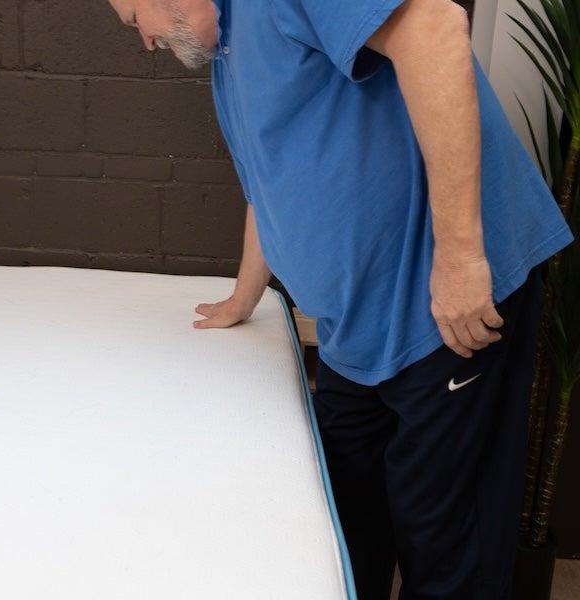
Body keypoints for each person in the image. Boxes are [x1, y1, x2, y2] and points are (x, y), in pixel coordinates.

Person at [107, 1, 575, 599]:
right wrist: (243, 297)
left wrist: (459, 260)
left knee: (447, 546)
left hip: (443, 311)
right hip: (354, 329)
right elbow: (272, 186)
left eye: (132, 19)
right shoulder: (230, 54)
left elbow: (433, 27)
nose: (144, 41)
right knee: (346, 520)